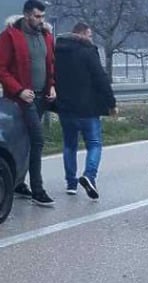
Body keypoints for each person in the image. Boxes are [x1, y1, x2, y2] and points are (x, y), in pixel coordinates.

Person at [0, 0, 56, 207]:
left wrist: (52, 85)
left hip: (41, 97)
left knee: (24, 140)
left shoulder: (46, 36)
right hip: (20, 98)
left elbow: (50, 64)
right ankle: (38, 190)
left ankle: (18, 182)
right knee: (38, 140)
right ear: (26, 15)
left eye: (43, 16)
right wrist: (19, 90)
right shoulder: (10, 36)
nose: (41, 20)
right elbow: (2, 69)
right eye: (37, 16)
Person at [54, 22, 117, 199]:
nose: (91, 38)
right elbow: (100, 78)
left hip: (65, 107)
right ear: (82, 34)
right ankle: (89, 176)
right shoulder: (88, 51)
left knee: (69, 145)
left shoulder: (57, 51)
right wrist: (111, 102)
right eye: (89, 35)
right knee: (94, 144)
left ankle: (71, 183)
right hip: (87, 108)